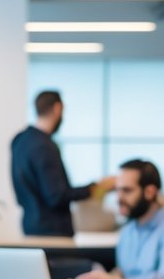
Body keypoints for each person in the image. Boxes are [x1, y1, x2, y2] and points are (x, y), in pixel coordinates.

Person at [10, 90, 115, 236]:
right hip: (52, 231)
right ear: (58, 108)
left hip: (29, 225)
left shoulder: (19, 141)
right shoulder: (45, 145)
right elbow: (56, 196)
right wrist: (95, 188)